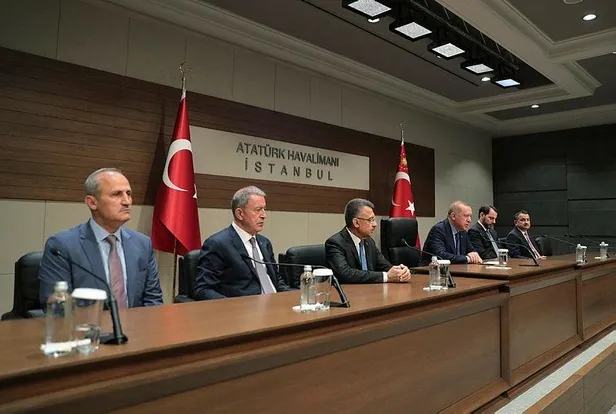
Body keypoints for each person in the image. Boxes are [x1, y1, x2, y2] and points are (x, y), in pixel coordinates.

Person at [39, 168, 163, 308]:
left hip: (137, 322)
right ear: (92, 202)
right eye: (117, 194)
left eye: (128, 194)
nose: (127, 201)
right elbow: (58, 306)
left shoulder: (142, 244)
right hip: (88, 322)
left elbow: (153, 300)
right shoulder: (62, 246)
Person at [194, 186, 292, 300]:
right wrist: (232, 306)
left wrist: (295, 296)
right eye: (258, 210)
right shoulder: (217, 244)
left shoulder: (264, 242)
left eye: (264, 209)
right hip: (245, 308)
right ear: (240, 214)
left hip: (275, 304)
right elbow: (203, 289)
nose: (264, 215)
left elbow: (276, 281)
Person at [325, 198, 411, 284]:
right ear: (356, 222)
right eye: (370, 220)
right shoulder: (335, 243)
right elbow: (346, 274)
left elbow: (385, 266)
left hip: (371, 290)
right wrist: (386, 276)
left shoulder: (369, 242)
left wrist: (400, 271)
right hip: (348, 291)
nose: (375, 224)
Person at [420, 201, 483, 265]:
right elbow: (441, 256)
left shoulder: (463, 232)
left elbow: (471, 251)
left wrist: (475, 255)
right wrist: (467, 259)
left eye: (470, 216)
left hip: (456, 269)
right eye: (466, 216)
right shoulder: (438, 230)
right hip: (430, 270)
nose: (469, 220)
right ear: (453, 216)